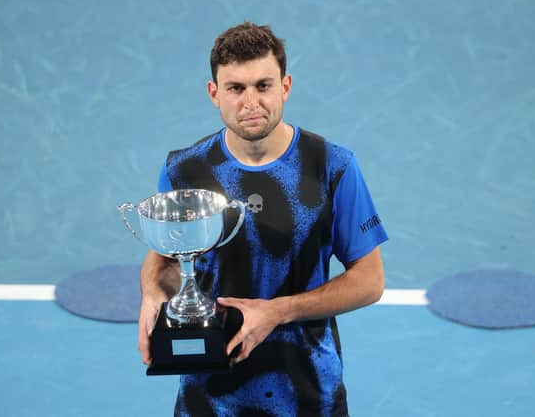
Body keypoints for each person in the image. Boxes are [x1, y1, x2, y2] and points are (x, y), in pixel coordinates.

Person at [138, 21, 388, 417]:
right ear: (214, 93)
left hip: (309, 395)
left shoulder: (333, 167)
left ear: (285, 86)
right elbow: (166, 258)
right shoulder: (183, 171)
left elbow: (370, 281)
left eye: (263, 85)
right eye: (236, 88)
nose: (251, 101)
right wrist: (153, 292)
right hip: (210, 398)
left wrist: (277, 311)